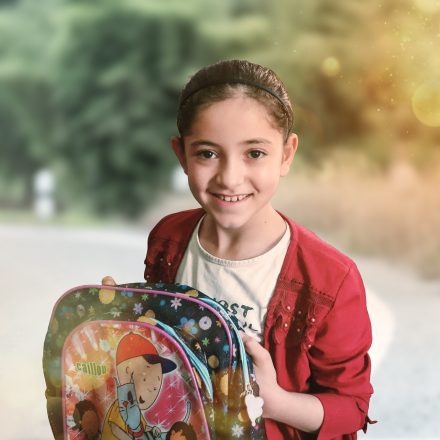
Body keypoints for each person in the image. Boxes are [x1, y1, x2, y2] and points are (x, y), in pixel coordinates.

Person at [105, 59, 374, 439]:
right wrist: (123, 316)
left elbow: (352, 408)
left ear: (286, 154)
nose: (230, 177)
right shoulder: (169, 237)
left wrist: (275, 401)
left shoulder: (330, 280)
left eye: (255, 153)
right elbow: (160, 349)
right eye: (207, 154)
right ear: (181, 155)